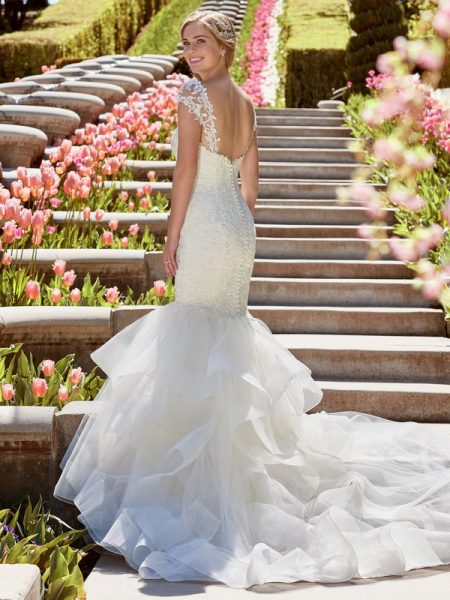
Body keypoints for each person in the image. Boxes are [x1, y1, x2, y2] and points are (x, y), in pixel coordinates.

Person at [53, 9, 450, 590]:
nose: (191, 51)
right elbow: (251, 180)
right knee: (220, 334)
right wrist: (237, 218)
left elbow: (185, 172)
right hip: (236, 226)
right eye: (186, 43)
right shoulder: (241, 99)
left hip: (209, 225)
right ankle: (227, 472)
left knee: (195, 334)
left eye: (201, 42)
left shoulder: (194, 98)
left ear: (225, 46)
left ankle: (203, 486)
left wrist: (173, 234)